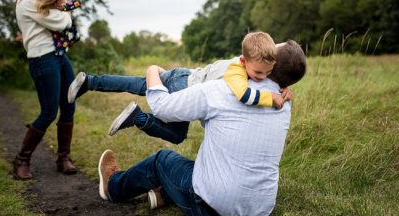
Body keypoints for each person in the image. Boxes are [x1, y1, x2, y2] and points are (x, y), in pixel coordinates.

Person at [97, 40, 307, 216]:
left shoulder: (221, 90)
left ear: (269, 61)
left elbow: (161, 107)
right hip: (260, 210)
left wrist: (152, 71)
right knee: (211, 164)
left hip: (212, 214)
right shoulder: (283, 103)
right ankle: (164, 195)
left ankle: (113, 186)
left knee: (162, 161)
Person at [69, 32, 294, 144]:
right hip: (184, 87)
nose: (262, 77)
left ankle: (89, 81)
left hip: (185, 75)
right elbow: (246, 95)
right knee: (177, 136)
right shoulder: (238, 73)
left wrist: (283, 87)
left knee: (138, 84)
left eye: (267, 74)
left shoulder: (249, 56)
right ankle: (138, 118)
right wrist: (272, 97)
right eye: (259, 74)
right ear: (246, 64)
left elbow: (262, 66)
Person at [11, 0, 79, 179]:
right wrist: (66, 14)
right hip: (42, 58)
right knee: (49, 111)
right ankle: (21, 160)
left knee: (69, 104)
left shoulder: (41, 0)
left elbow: (62, 14)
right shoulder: (27, 1)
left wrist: (64, 12)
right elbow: (60, 22)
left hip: (59, 56)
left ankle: (63, 158)